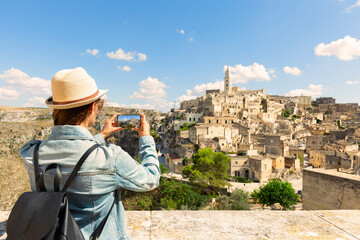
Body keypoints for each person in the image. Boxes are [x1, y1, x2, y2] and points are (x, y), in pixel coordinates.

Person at [20, 67, 160, 240]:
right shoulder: (111, 158)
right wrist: (146, 138)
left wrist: (101, 136)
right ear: (92, 108)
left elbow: (74, 154)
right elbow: (151, 180)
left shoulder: (31, 153)